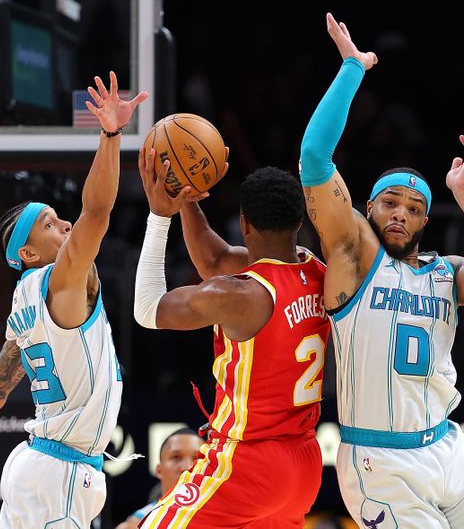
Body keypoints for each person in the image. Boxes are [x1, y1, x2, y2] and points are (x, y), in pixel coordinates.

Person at [299, 13, 464, 528]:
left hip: (449, 446)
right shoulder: (354, 256)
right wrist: (352, 69)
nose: (400, 213)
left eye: (413, 207)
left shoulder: (446, 273)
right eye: (389, 203)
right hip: (379, 463)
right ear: (368, 208)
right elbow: (314, 156)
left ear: (426, 219)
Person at [0, 71, 148, 528]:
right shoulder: (61, 279)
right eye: (50, 224)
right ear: (27, 253)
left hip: (35, 465)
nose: (65, 225)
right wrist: (110, 135)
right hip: (61, 475)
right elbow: (97, 211)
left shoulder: (22, 304)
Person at [133, 151, 330, 527]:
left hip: (249, 461)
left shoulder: (240, 295)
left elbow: (147, 309)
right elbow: (214, 258)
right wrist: (187, 199)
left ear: (244, 224)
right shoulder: (315, 269)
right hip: (304, 463)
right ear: (300, 221)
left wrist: (160, 216)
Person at [115, 428, 204, 529]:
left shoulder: (222, 518)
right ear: (159, 471)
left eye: (197, 458)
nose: (187, 467)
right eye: (176, 457)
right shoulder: (134, 526)